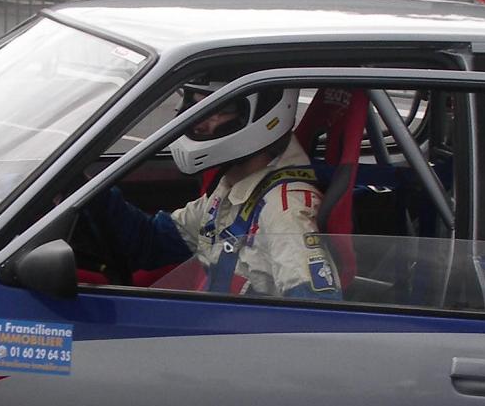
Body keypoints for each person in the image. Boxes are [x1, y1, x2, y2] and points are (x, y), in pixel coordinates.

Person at [91, 82, 341, 300]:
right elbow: (153, 243)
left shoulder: (283, 211)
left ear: (263, 115)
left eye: (219, 110)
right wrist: (93, 195)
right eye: (196, 107)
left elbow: (317, 317)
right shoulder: (234, 183)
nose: (199, 122)